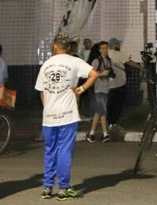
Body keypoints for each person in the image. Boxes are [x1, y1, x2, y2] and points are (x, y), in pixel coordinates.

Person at [36, 33, 99, 200]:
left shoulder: (46, 65)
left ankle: (48, 187)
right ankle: (63, 188)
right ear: (69, 46)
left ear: (55, 46)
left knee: (50, 150)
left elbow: (42, 91)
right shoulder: (74, 62)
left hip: (49, 115)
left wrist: (47, 107)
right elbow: (94, 74)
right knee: (64, 150)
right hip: (68, 115)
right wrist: (81, 89)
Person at [105, 38, 138, 130]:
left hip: (108, 84)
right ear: (114, 45)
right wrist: (140, 67)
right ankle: (114, 123)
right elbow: (129, 62)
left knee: (110, 105)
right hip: (118, 84)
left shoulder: (106, 54)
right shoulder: (117, 54)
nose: (119, 46)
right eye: (118, 45)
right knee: (117, 105)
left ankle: (109, 124)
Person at [88, 41, 113, 142]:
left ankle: (91, 134)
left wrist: (109, 74)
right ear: (99, 50)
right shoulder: (96, 61)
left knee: (99, 112)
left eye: (106, 48)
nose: (105, 50)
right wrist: (103, 74)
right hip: (98, 89)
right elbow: (91, 74)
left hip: (106, 88)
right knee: (102, 111)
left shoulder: (109, 60)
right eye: (103, 48)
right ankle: (105, 133)